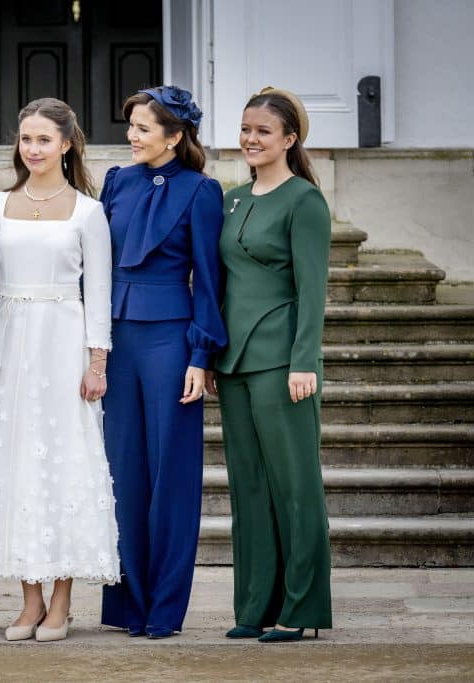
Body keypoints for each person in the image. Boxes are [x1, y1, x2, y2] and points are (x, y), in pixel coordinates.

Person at [0, 98, 120, 643]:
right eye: (26, 140)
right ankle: (28, 600)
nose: (33, 149)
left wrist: (97, 361)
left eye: (44, 140)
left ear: (67, 145)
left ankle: (61, 601)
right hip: (7, 345)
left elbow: (98, 292)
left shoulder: (87, 212)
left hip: (62, 343)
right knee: (14, 468)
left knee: (62, 466)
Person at [99, 86, 227, 639]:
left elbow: (209, 280)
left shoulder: (202, 191)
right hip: (116, 339)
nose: (131, 136)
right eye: (130, 126)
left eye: (143, 128)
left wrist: (201, 355)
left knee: (171, 475)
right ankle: (127, 605)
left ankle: (164, 609)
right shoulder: (115, 181)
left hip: (172, 342)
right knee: (121, 472)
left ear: (175, 136)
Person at [211, 87, 332, 643]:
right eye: (245, 129)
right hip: (234, 361)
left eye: (263, 131)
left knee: (294, 485)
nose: (251, 140)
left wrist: (304, 360)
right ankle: (255, 605)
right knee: (249, 489)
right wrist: (211, 355)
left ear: (289, 139)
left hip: (283, 361)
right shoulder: (232, 199)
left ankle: (302, 609)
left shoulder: (304, 200)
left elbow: (313, 290)